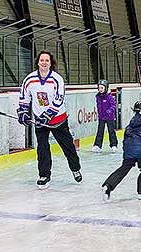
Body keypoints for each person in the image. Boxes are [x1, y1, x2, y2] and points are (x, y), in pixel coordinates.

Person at [17, 50, 82, 190]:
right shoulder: (29, 79)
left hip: (58, 119)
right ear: (38, 62)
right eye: (42, 60)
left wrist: (48, 114)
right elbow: (24, 97)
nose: (44, 63)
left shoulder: (57, 79)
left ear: (51, 63)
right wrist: (22, 112)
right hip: (40, 121)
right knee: (42, 148)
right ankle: (44, 175)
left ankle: (75, 168)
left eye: (47, 60)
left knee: (68, 146)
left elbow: (59, 99)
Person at [102, 101, 141, 200]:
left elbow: (126, 137)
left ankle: (108, 186)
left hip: (129, 150)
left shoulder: (131, 122)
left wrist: (126, 151)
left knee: (124, 169)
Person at [92, 79, 118, 153]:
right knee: (100, 131)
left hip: (109, 117)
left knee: (111, 131)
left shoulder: (109, 97)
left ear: (106, 88)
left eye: (102, 88)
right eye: (99, 88)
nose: (100, 89)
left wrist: (110, 110)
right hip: (101, 117)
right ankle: (97, 145)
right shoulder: (98, 96)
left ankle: (113, 145)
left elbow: (113, 105)